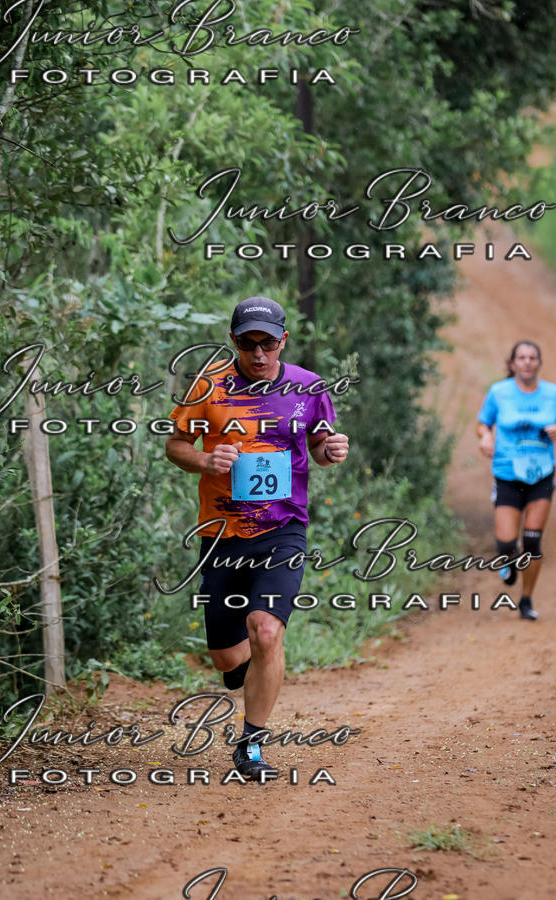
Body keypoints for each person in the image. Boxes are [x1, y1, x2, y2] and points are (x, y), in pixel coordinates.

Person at [165, 297, 349, 778]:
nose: (259, 353)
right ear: (234, 343)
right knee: (227, 656)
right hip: (222, 534)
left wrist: (330, 450)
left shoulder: (309, 388)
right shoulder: (208, 387)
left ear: (282, 340)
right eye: (248, 344)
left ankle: (251, 744)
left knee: (266, 631)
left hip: (284, 529)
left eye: (267, 343)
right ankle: (253, 671)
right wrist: (206, 460)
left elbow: (319, 444)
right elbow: (175, 444)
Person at [477, 340, 556, 620]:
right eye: (522, 357)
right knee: (506, 544)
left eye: (532, 357)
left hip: (541, 474)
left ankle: (526, 599)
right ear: (512, 363)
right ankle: (509, 563)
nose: (527, 362)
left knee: (531, 541)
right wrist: (486, 436)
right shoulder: (499, 392)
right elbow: (482, 422)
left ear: (539, 363)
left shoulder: (554, 395)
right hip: (506, 474)